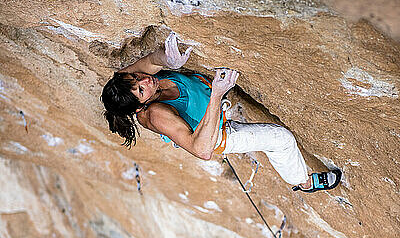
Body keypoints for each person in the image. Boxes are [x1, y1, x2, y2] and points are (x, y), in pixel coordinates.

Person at [101, 33, 341, 193]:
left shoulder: (125, 83)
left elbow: (152, 60)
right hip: (215, 133)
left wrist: (168, 60)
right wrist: (216, 95)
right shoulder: (155, 115)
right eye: (142, 89)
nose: (146, 80)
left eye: (137, 78)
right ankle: (304, 182)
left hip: (210, 100)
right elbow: (202, 150)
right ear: (139, 106)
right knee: (281, 139)